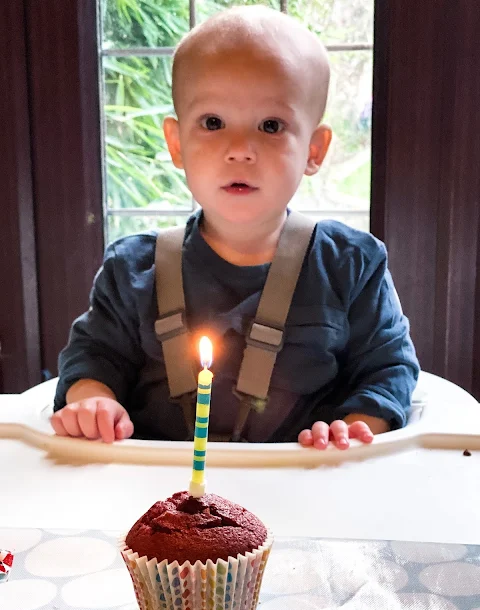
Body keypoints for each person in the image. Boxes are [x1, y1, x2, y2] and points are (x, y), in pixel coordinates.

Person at [51, 5, 419, 449]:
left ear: (314, 150)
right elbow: (93, 357)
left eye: (270, 125)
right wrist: (94, 401)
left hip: (306, 489)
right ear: (176, 143)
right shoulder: (132, 269)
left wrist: (356, 427)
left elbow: (388, 369)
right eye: (212, 123)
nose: (240, 149)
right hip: (159, 498)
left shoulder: (352, 265)